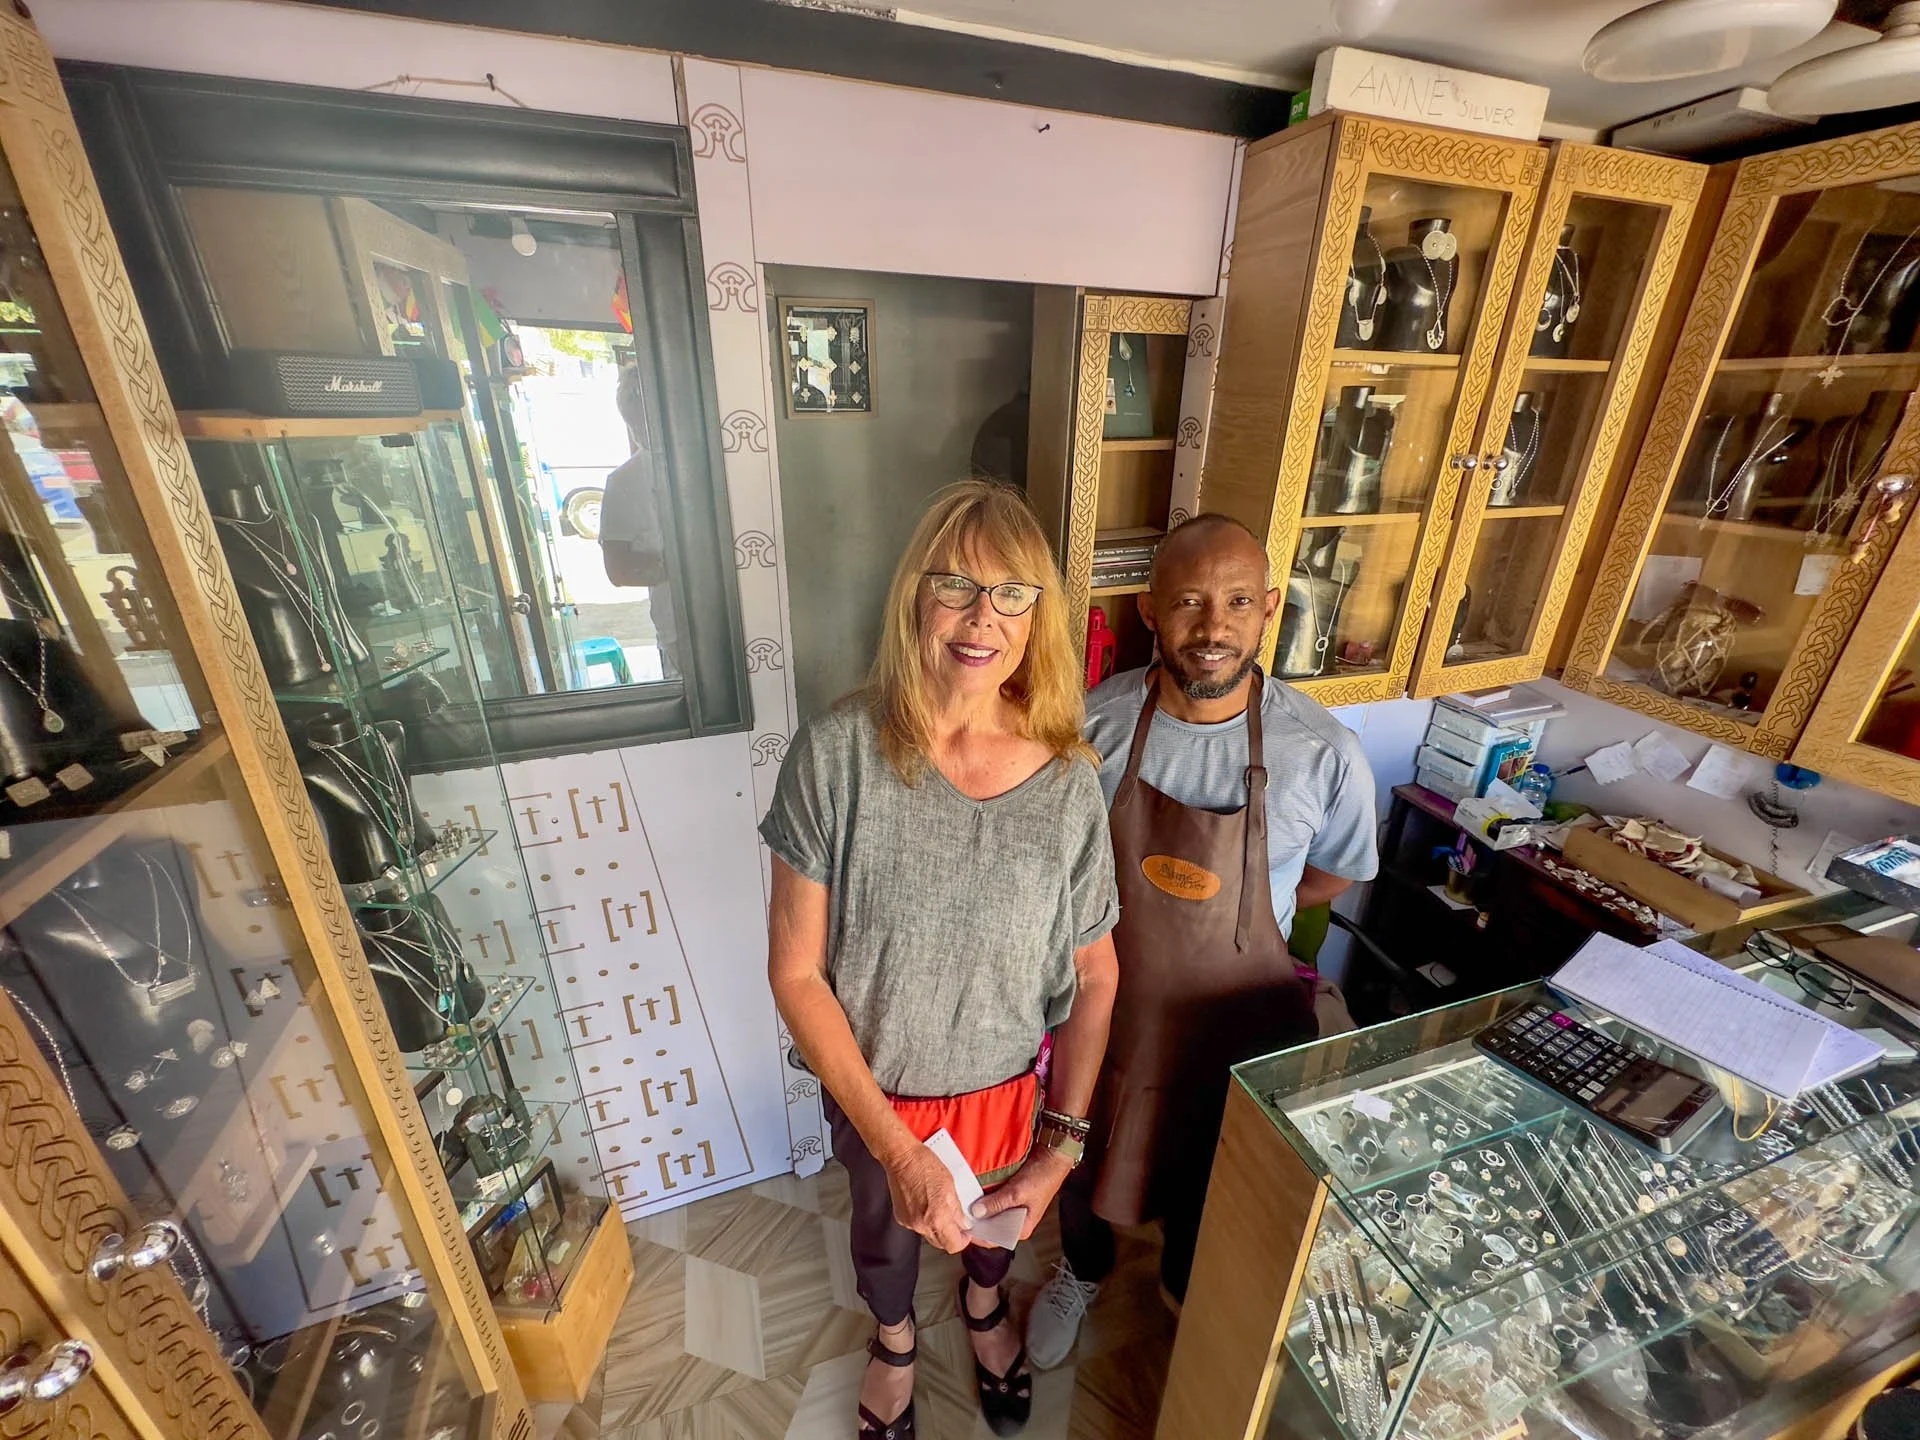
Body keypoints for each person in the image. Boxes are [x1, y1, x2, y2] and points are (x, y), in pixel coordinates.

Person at [762, 481, 1120, 1440]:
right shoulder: (836, 754)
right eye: (955, 584)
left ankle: (982, 1308)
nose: (981, 618)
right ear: (913, 596)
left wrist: (1063, 1146)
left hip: (1008, 1087)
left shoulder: (1068, 779)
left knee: (996, 1232)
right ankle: (894, 1345)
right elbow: (795, 972)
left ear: (1038, 614)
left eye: (1012, 594)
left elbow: (1095, 973)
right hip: (877, 1086)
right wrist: (896, 1147)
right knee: (883, 1233)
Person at [1026, 512, 1378, 1367]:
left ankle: (1186, 1298)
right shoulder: (1088, 730)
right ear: (1150, 610)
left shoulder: (1323, 751)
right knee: (1075, 1149)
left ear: (1267, 610)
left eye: (1236, 603)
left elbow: (1330, 876)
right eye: (1188, 602)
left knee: (1211, 1178)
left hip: (1238, 1025)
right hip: (1106, 1010)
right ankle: (1082, 1269)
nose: (1213, 628)